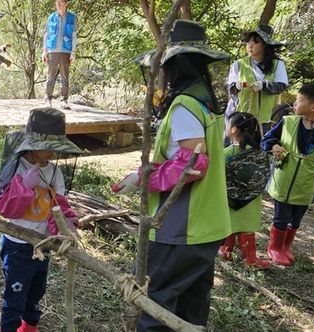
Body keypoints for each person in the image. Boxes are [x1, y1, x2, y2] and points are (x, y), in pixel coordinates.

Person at [113, 20, 231, 330]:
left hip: (182, 227)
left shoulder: (184, 105)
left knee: (156, 304)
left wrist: (142, 179)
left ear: (175, 65)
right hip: (209, 224)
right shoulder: (207, 102)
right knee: (192, 304)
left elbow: (193, 163)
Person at [0, 108, 82, 332]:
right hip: (17, 244)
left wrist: (67, 224)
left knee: (36, 290)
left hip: (43, 244)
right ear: (32, 144)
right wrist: (24, 186)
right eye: (48, 146)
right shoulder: (16, 168)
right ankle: (9, 328)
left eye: (55, 147)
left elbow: (58, 205)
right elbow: (6, 208)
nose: (52, 152)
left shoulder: (55, 172)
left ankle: (29, 326)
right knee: (15, 292)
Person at [261, 83, 314, 266]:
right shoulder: (288, 121)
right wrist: (274, 146)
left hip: (307, 184)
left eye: (298, 100)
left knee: (296, 218)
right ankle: (274, 247)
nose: (294, 104)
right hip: (283, 180)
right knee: (281, 217)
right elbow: (268, 139)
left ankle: (286, 246)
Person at [218, 112, 270, 269]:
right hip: (251, 199)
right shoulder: (259, 153)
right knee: (246, 227)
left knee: (229, 224)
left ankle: (225, 252)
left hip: (229, 199)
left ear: (233, 130)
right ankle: (250, 259)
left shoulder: (225, 153)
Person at [226, 24, 288, 134]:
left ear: (265, 45)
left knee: (259, 147)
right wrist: (236, 86)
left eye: (255, 42)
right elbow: (228, 86)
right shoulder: (239, 64)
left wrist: (265, 85)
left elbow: (281, 86)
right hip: (240, 116)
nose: (250, 45)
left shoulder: (277, 64)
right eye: (248, 42)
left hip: (264, 117)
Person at [42, 0, 78, 110]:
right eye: (56, 3)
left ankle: (64, 100)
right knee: (50, 75)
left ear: (66, 3)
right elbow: (46, 35)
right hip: (52, 50)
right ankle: (48, 99)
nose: (57, 5)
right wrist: (44, 51)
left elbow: (74, 36)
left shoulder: (73, 18)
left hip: (66, 51)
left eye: (60, 3)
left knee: (64, 76)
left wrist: (73, 52)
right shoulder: (51, 17)